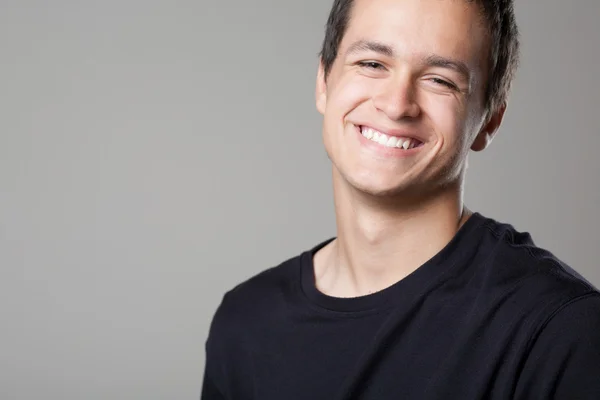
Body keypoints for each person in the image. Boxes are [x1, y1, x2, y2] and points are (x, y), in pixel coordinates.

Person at [201, 0, 600, 398]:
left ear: (490, 119)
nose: (396, 105)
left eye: (440, 80)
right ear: (324, 81)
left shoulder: (560, 331)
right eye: (372, 63)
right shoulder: (244, 324)